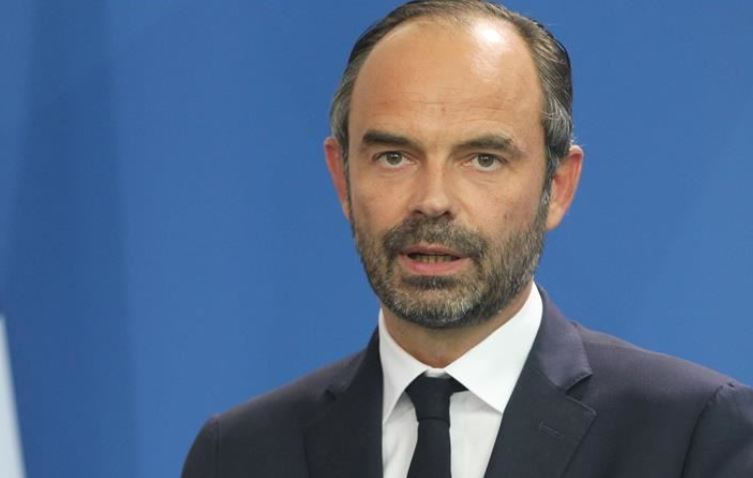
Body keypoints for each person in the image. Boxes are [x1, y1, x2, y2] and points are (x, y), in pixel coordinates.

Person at [182, 1, 753, 476]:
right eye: (394, 156)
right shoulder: (238, 455)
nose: (432, 200)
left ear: (557, 186)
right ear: (342, 179)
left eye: (483, 159)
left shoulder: (696, 436)